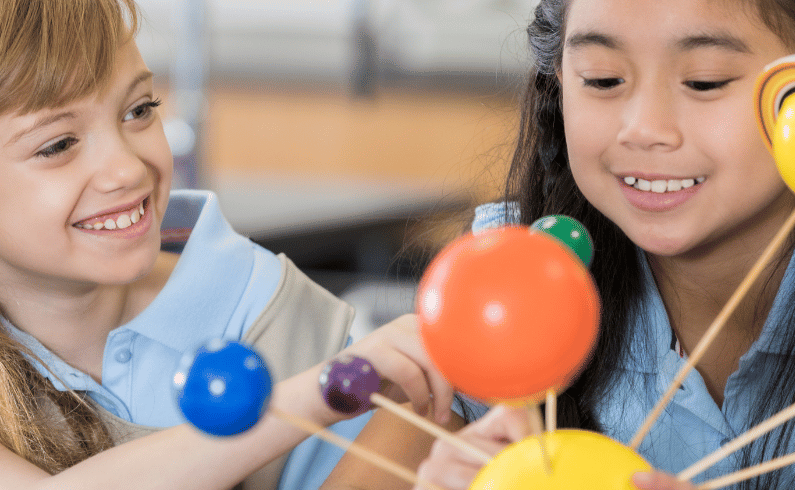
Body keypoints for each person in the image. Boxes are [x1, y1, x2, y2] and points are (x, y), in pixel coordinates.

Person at [321, 0, 795, 489]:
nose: (643, 130)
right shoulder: (504, 279)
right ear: (559, 82)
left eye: (705, 82)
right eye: (602, 79)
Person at [0, 1, 458, 489]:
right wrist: (318, 395)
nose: (129, 169)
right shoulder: (328, 384)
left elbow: (420, 435)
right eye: (57, 145)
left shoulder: (265, 308)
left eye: (139, 110)